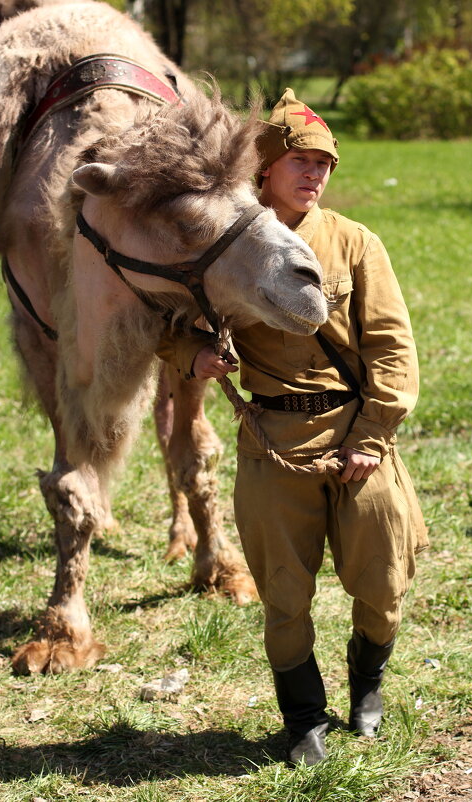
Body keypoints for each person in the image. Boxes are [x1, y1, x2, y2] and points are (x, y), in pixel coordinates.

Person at [158, 88, 428, 766]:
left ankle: (367, 684)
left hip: (357, 431)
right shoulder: (225, 247)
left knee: (384, 578)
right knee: (283, 590)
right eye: (300, 161)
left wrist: (372, 438)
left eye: (324, 163)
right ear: (265, 169)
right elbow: (169, 327)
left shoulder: (356, 243)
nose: (315, 174)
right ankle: (303, 717)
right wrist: (193, 353)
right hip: (273, 440)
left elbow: (393, 349)